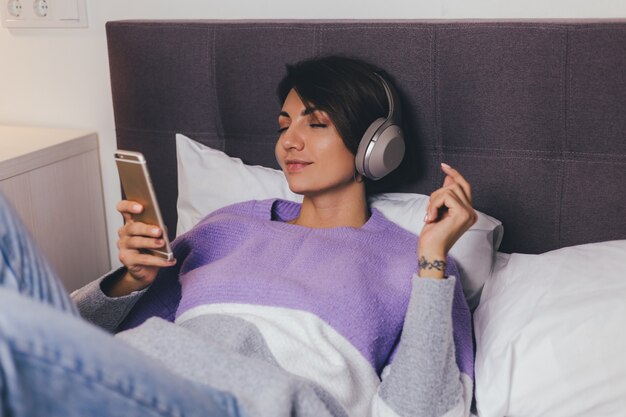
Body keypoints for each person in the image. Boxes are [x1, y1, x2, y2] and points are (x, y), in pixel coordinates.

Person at [0, 55, 476, 417]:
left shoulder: (415, 265)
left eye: (316, 123)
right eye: (285, 125)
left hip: (259, 404)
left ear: (377, 146)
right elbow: (72, 334)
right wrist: (132, 279)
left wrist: (432, 263)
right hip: (144, 377)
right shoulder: (226, 227)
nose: (290, 141)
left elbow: (424, 408)